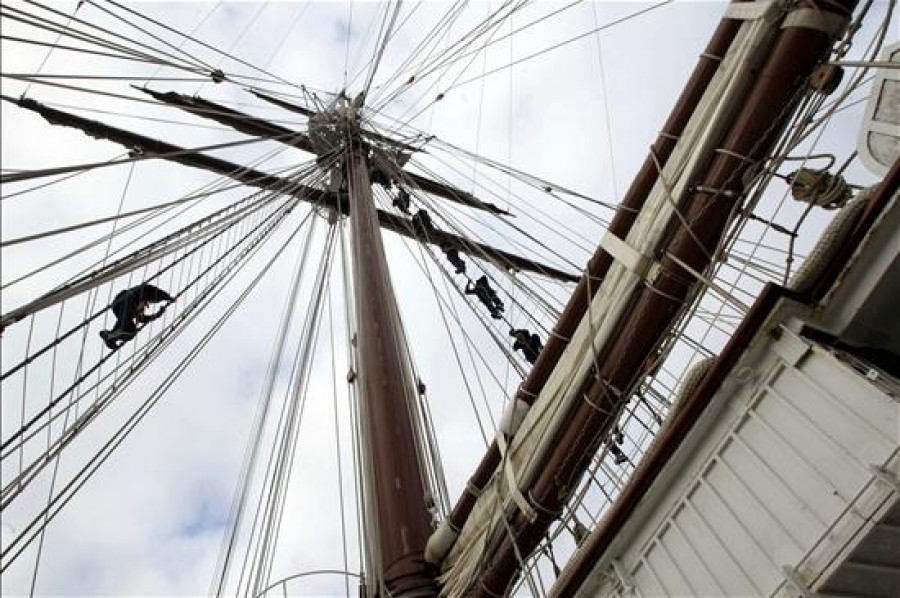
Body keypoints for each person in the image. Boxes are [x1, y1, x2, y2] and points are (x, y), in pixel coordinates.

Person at [99, 283, 174, 350]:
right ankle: (112, 334)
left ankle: (112, 337)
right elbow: (151, 289)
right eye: (144, 305)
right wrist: (167, 297)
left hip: (117, 306)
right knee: (127, 321)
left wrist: (157, 315)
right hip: (127, 298)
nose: (142, 309)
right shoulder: (139, 294)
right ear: (143, 301)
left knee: (131, 331)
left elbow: (142, 319)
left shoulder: (129, 311)